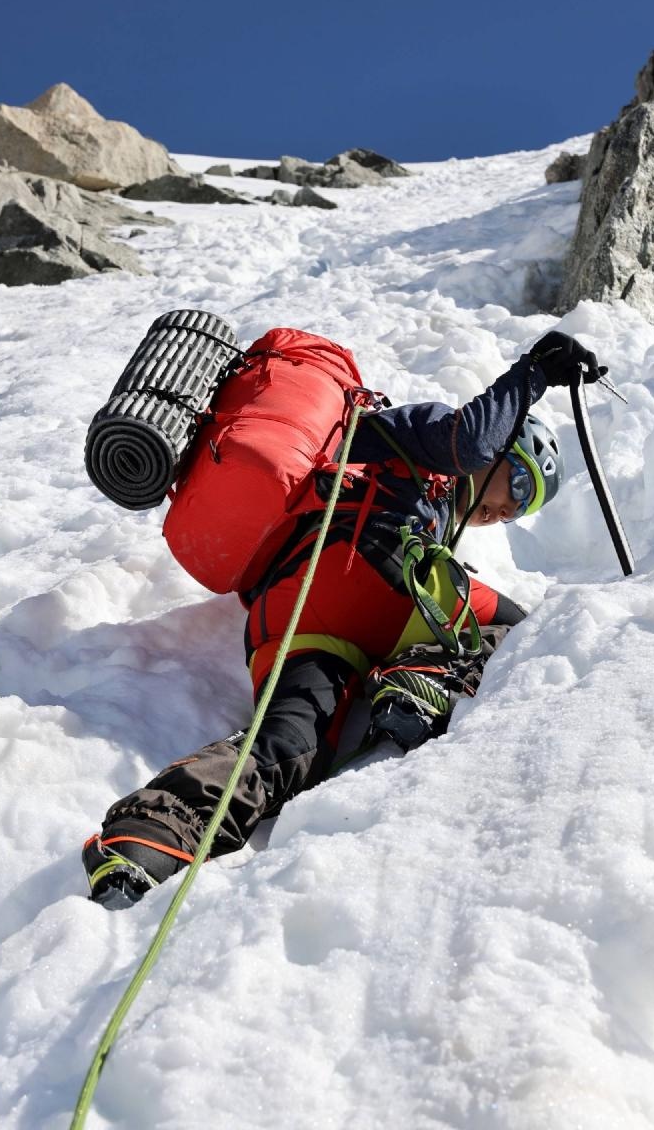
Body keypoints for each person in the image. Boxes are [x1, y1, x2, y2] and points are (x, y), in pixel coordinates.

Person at [82, 330, 607, 907]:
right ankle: (427, 680)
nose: (508, 510)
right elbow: (471, 441)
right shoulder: (421, 439)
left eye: (524, 510)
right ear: (504, 448)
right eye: (521, 484)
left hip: (295, 613)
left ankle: (147, 838)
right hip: (366, 563)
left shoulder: (428, 500)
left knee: (289, 746)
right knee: (525, 630)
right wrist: (533, 373)